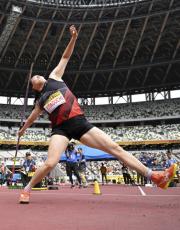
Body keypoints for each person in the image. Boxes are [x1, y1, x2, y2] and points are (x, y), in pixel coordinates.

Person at [18, 25, 177, 204]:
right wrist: (22, 130)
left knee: (116, 149)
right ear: (34, 87)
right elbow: (32, 117)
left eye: (38, 75)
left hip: (80, 124)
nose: (38, 76)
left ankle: (156, 177)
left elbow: (65, 56)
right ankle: (27, 189)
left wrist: (73, 38)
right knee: (50, 163)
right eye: (34, 78)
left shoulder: (55, 76)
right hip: (60, 130)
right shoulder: (40, 101)